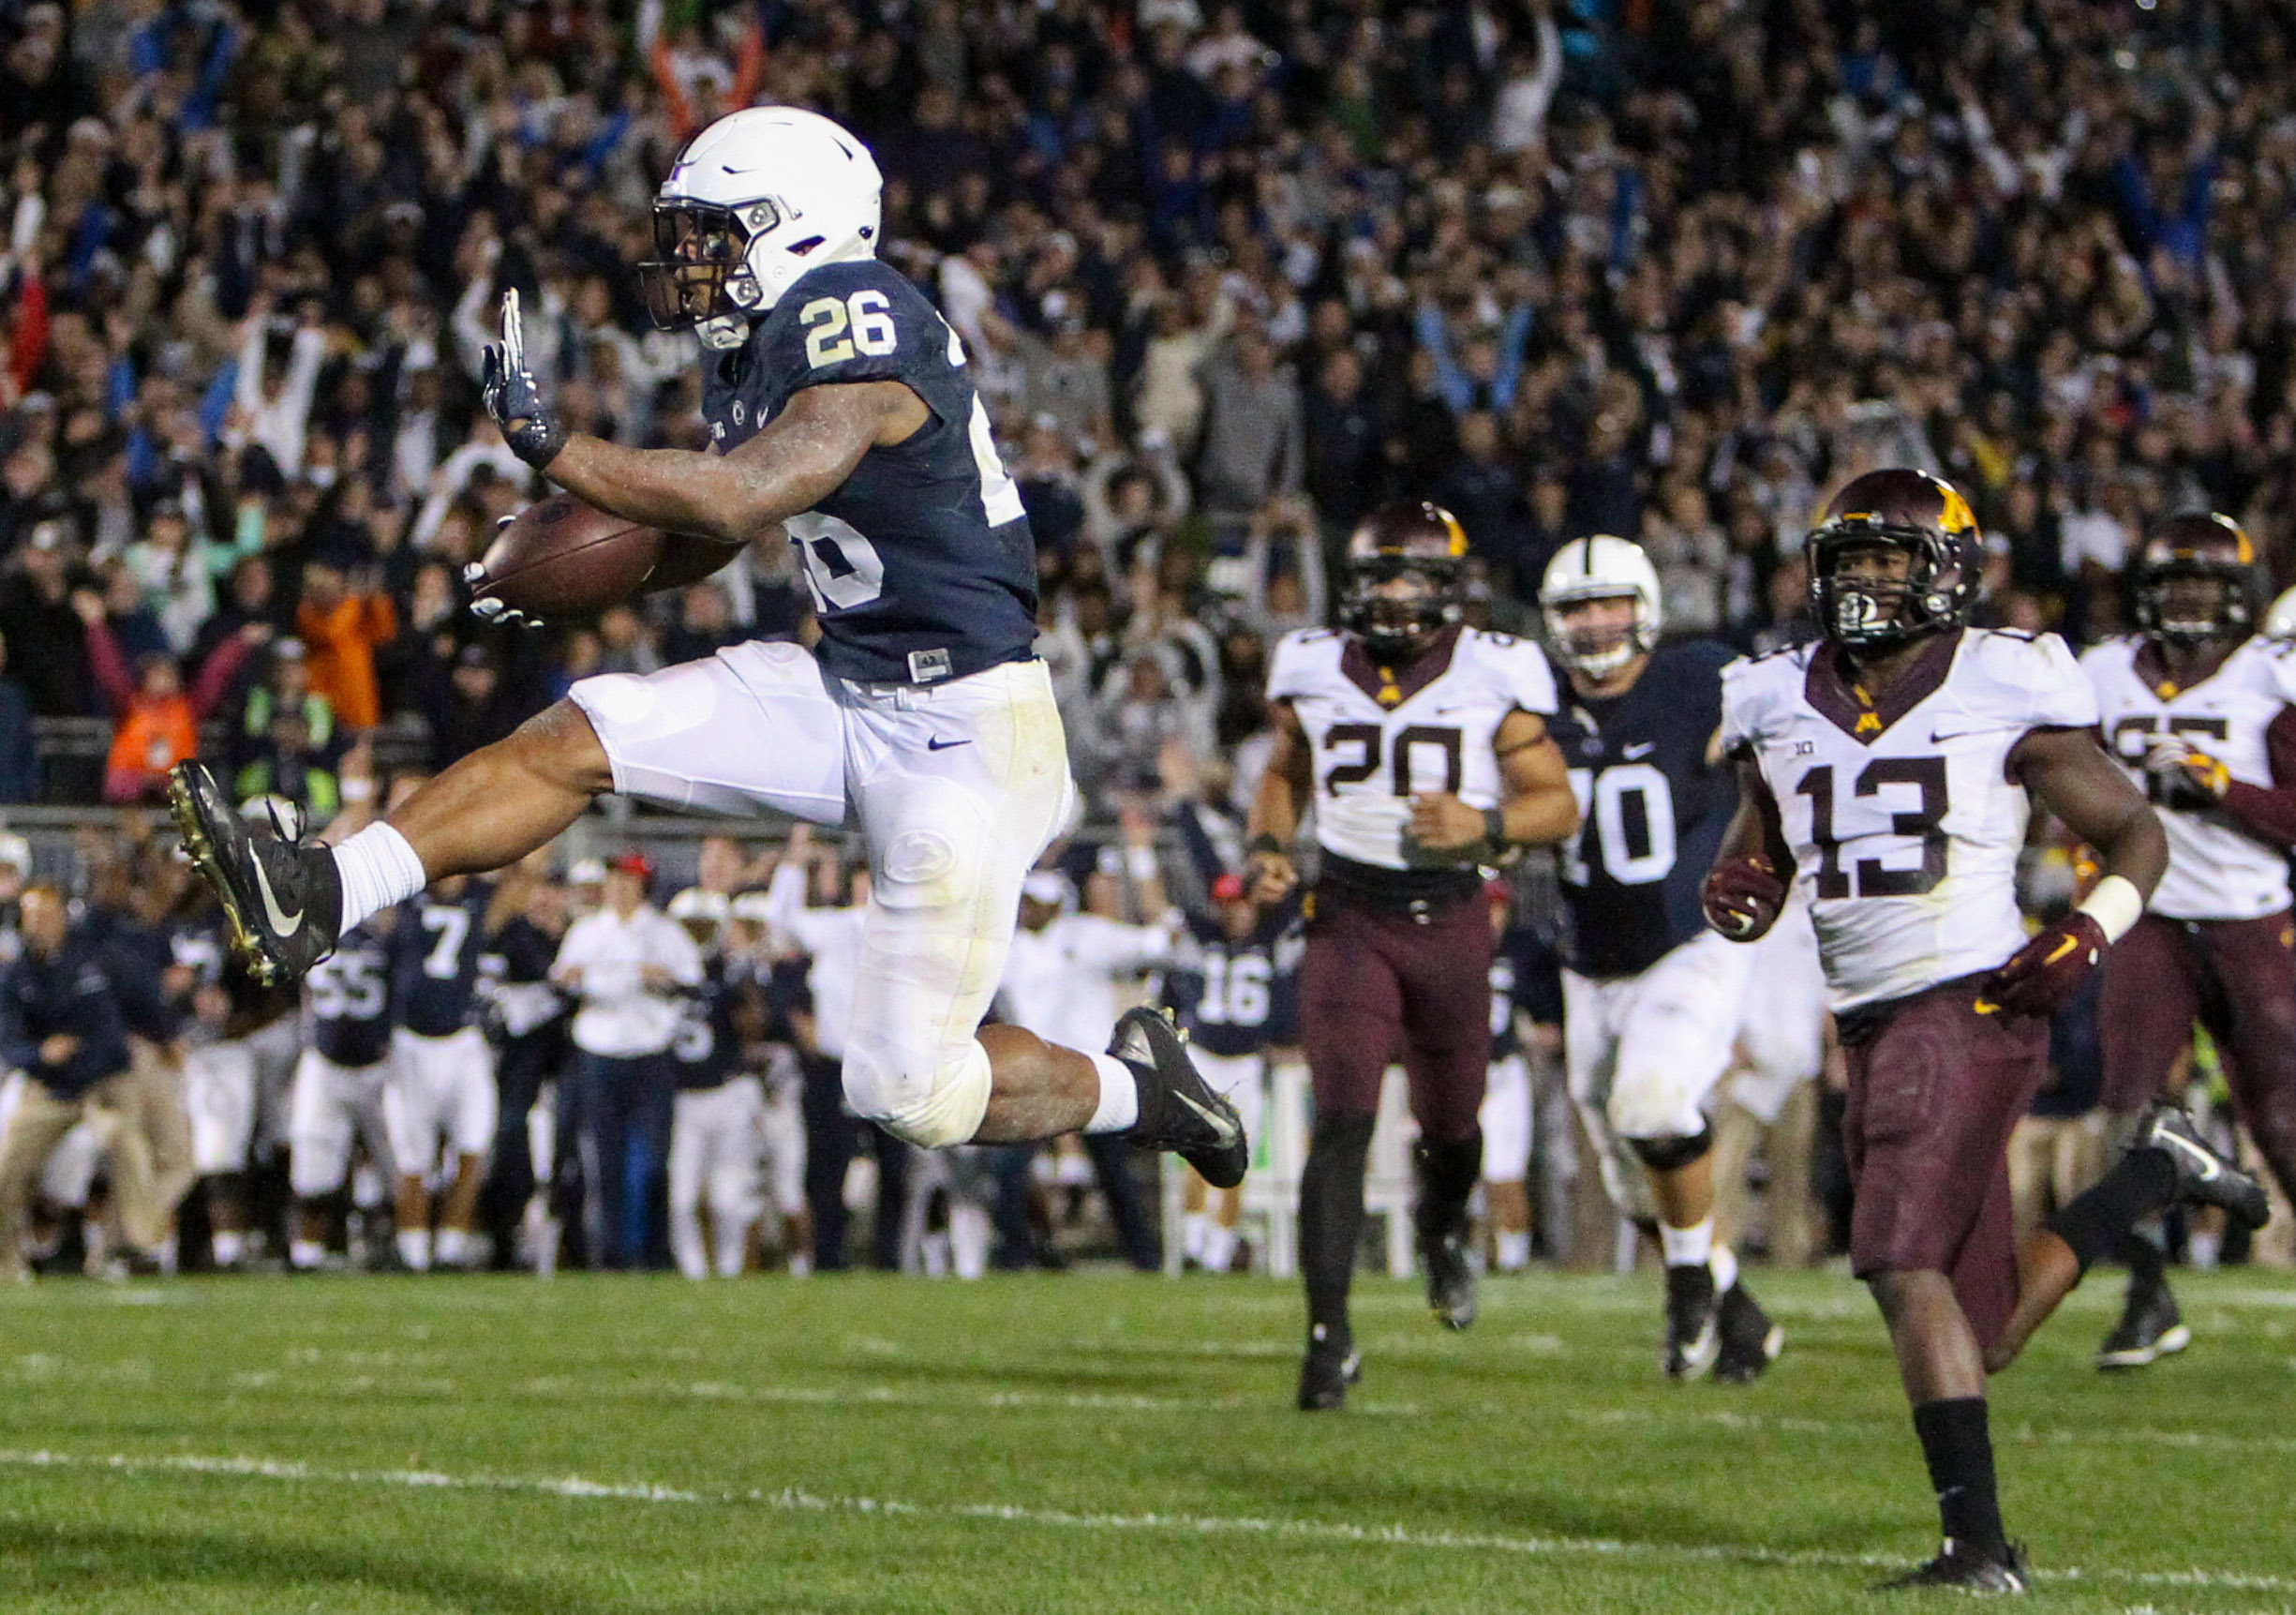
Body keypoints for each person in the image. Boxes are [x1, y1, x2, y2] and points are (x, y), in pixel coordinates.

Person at [168, 105, 1245, 1204]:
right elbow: (702, 539)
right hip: (849, 689)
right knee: (576, 734)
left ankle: (1141, 1088)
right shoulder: (756, 350)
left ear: (797, 229)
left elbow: (745, 494)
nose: (690, 259)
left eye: (713, 231)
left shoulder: (859, 311)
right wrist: (552, 580)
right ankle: (323, 892)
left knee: (904, 1089)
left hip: (966, 736)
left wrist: (557, 449)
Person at [1703, 469, 2269, 1589]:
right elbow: (1760, 834)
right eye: (1848, 561)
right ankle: (2150, 1176)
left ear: (1947, 572)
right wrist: (1742, 877)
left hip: (1967, 1001)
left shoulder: (2002, 679)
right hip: (1866, 1014)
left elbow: (2134, 830)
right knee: (1986, 1325)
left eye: (1888, 561)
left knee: (1894, 1251)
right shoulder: (1768, 694)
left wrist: (2086, 932)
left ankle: (1976, 1547)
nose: (1864, 583)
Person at [1247, 499, 1578, 1411]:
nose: (1388, 597)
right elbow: (1284, 770)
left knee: (1450, 1128)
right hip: (1348, 914)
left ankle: (1442, 1235)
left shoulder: (1492, 668)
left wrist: (1487, 824)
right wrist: (1269, 847)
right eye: (1374, 578)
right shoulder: (1312, 663)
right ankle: (1326, 1338)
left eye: (1408, 579)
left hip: (1451, 921)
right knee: (1341, 1114)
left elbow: (1557, 801)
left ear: (1446, 590)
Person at [1535, 534, 1782, 1382]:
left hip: (1689, 943)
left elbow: (1782, 743)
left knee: (1654, 1103)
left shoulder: (1700, 678)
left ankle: (1685, 1285)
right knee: (1629, 1177)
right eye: (1578, 607)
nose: (1596, 623)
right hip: (1586, 962)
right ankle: (1735, 1309)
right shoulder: (1529, 705)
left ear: (1646, 610)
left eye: (1611, 604)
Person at [2079, 512, 2296, 1368]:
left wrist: (2222, 788)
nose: (2189, 601)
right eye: (2174, 585)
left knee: (2282, 1125)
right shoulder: (2100, 673)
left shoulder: (2268, 678)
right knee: (2122, 1114)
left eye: (2206, 585)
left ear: (2239, 594)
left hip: (2250, 919)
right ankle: (2146, 1292)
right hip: (2150, 916)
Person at [552, 853, 698, 1269]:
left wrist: (663, 979)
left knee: (652, 1160)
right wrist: (571, 981)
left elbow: (692, 981)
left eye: (626, 880)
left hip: (650, 1051)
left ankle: (652, 1250)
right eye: (614, 879)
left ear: (642, 886)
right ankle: (613, 1253)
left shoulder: (665, 932)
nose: (617, 887)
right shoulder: (586, 930)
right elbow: (560, 979)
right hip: (599, 1050)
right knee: (605, 1159)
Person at [0, 884, 144, 1280]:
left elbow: (112, 1033)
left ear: (63, 917)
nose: (39, 926)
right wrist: (41, 1055)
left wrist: (81, 1060)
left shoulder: (94, 959)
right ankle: (6, 1259)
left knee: (125, 1144)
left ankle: (125, 1248)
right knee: (6, 1165)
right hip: (46, 1088)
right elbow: (9, 1044)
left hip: (99, 1085)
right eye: (32, 917)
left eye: (46, 916)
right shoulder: (15, 975)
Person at [385, 869, 499, 1272]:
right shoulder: (402, 897)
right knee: (412, 1157)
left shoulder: (483, 897)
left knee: (473, 1147)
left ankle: (451, 1249)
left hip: (462, 1039)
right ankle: (414, 1253)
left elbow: (528, 874)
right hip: (410, 1040)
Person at [663, 886, 768, 1280]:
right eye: (689, 926)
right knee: (682, 1199)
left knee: (728, 1198)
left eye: (703, 926)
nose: (696, 934)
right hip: (684, 1098)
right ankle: (693, 1273)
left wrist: (745, 996)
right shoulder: (664, 966)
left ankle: (728, 1270)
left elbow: (753, 1029)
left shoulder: (729, 970)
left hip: (727, 1092)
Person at [285, 919, 396, 1271]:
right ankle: (307, 1254)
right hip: (327, 1061)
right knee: (312, 1171)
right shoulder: (316, 929)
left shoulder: (388, 929)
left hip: (380, 1062)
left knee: (400, 1164)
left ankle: (394, 1246)